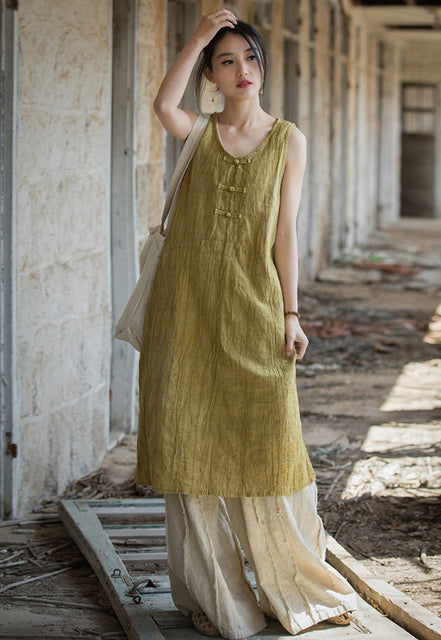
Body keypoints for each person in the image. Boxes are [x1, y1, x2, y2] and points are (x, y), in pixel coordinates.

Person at [136, 8, 357, 638]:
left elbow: (284, 232)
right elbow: (161, 104)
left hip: (255, 309)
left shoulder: (290, 140)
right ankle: (221, 603)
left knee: (270, 447)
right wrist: (200, 35)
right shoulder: (198, 134)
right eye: (227, 61)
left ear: (263, 68)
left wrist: (291, 312)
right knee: (188, 454)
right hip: (183, 313)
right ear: (211, 73)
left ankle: (290, 585)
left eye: (250, 59)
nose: (242, 71)